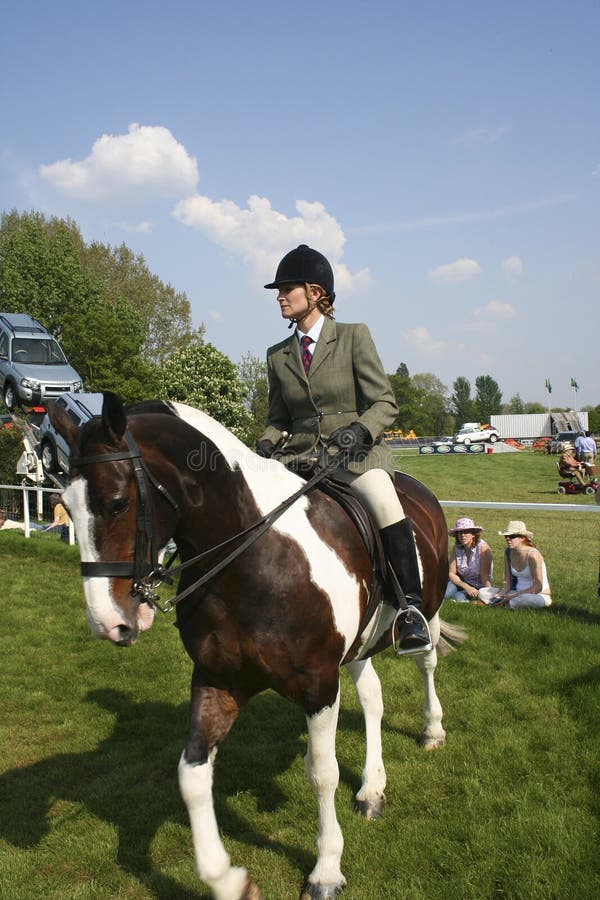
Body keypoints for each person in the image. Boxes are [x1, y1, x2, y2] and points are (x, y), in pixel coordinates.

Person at [257, 244, 431, 655]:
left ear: (315, 293)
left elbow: (384, 402)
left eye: (286, 289)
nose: (279, 296)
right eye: (278, 290)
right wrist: (265, 442)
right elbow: (279, 418)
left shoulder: (354, 336)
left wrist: (360, 430)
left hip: (356, 456)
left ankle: (411, 611)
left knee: (385, 502)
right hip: (299, 458)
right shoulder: (277, 355)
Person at [489, 520, 552, 609]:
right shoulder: (508, 552)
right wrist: (501, 594)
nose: (508, 539)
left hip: (537, 594)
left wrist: (513, 596)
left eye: (512, 536)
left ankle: (500, 603)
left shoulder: (533, 555)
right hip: (515, 592)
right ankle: (503, 602)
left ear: (522, 538)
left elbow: (538, 586)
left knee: (525, 599)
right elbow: (507, 579)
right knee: (483, 591)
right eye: (506, 536)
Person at [445, 517, 497, 604]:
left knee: (459, 598)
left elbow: (485, 576)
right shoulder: (456, 548)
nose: (462, 535)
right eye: (460, 533)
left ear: (473, 534)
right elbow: (451, 573)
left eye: (466, 532)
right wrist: (465, 586)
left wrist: (488, 595)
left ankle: (470, 598)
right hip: (461, 582)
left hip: (478, 586)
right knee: (446, 594)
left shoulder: (483, 548)